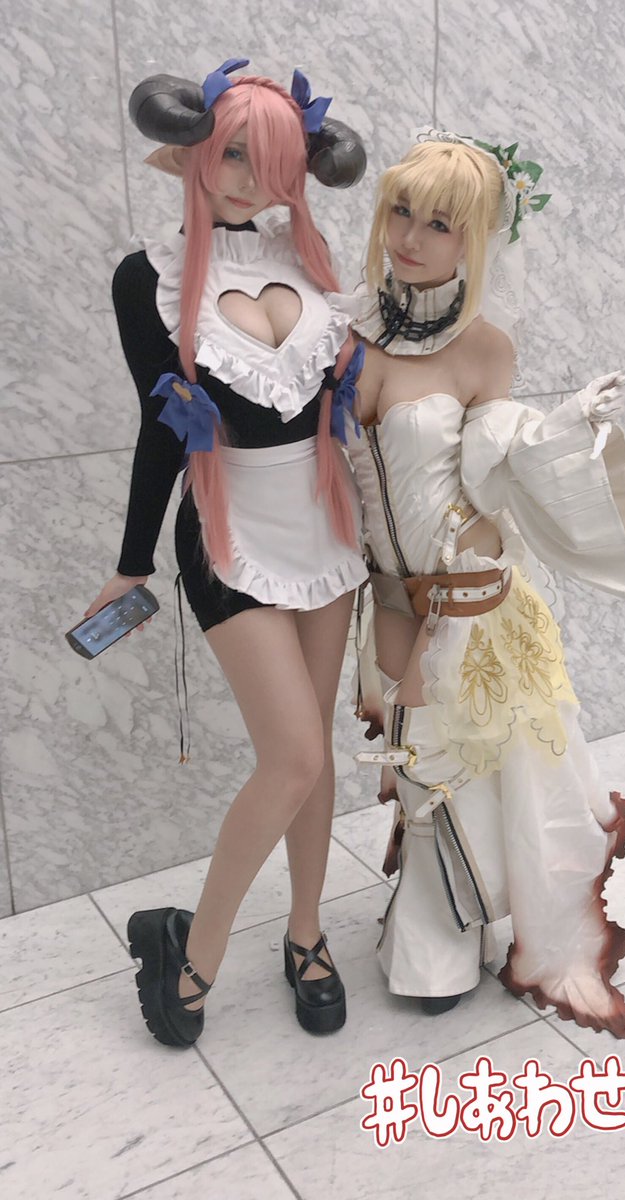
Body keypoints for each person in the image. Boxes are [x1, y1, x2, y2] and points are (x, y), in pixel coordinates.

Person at [84, 58, 368, 1046]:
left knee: (313, 751)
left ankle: (305, 934)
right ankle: (189, 954)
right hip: (226, 530)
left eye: (275, 163)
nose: (253, 179)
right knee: (290, 755)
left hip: (325, 523)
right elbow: (162, 425)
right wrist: (132, 561)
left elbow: (347, 405)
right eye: (237, 154)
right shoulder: (149, 277)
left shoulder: (314, 265)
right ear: (195, 149)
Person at [340, 130, 625, 1039]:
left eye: (441, 224)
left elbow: (493, 469)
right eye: (401, 211)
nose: (411, 237)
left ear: (477, 240)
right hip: (380, 593)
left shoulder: (484, 348)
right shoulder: (341, 338)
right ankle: (441, 921)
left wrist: (561, 432)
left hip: (469, 594)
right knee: (413, 762)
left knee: (458, 765)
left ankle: (437, 943)